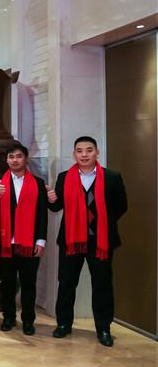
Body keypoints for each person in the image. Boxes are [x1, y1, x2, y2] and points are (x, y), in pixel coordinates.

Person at [48, 136, 127, 347]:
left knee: (102, 285)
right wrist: (51, 200)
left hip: (100, 242)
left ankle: (103, 329)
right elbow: (56, 207)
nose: (84, 154)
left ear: (97, 153)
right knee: (66, 283)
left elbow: (121, 207)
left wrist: (100, 224)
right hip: (71, 240)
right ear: (74, 154)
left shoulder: (111, 177)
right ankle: (63, 324)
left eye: (89, 150)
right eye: (80, 151)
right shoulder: (64, 177)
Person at [0, 144, 47, 335]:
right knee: (7, 283)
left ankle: (28, 320)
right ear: (7, 160)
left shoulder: (38, 183)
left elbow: (42, 214)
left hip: (29, 242)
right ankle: (8, 317)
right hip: (6, 243)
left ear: (26, 159)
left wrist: (41, 240)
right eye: (11, 156)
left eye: (19, 156)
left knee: (29, 283)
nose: (15, 160)